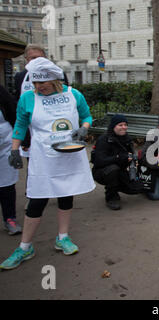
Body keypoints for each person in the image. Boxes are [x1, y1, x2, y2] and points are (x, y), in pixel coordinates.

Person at [0, 57, 95, 270]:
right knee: (37, 199)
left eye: (42, 83)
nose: (39, 87)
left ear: (54, 80)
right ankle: (25, 247)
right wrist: (14, 149)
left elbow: (87, 115)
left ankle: (63, 237)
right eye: (35, 83)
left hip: (69, 153)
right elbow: (21, 124)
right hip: (42, 156)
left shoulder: (73, 95)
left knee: (65, 194)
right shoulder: (27, 99)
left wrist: (84, 128)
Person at [14, 44, 69, 156]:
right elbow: (19, 112)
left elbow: (67, 97)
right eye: (33, 58)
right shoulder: (20, 77)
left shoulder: (57, 74)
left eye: (40, 58)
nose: (38, 86)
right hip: (32, 129)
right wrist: (23, 139)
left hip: (56, 125)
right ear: (26, 59)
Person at [91, 114, 144, 210]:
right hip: (102, 172)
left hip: (120, 170)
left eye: (125, 125)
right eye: (120, 125)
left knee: (137, 188)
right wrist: (118, 157)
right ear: (113, 126)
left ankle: (115, 186)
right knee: (113, 169)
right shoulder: (104, 139)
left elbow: (131, 156)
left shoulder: (127, 139)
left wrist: (133, 161)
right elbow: (99, 161)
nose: (124, 127)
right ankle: (111, 197)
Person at [0, 85, 22, 235]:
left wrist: (19, 144)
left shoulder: (1, 92)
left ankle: (10, 218)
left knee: (6, 183)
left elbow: (15, 116)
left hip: (5, 144)